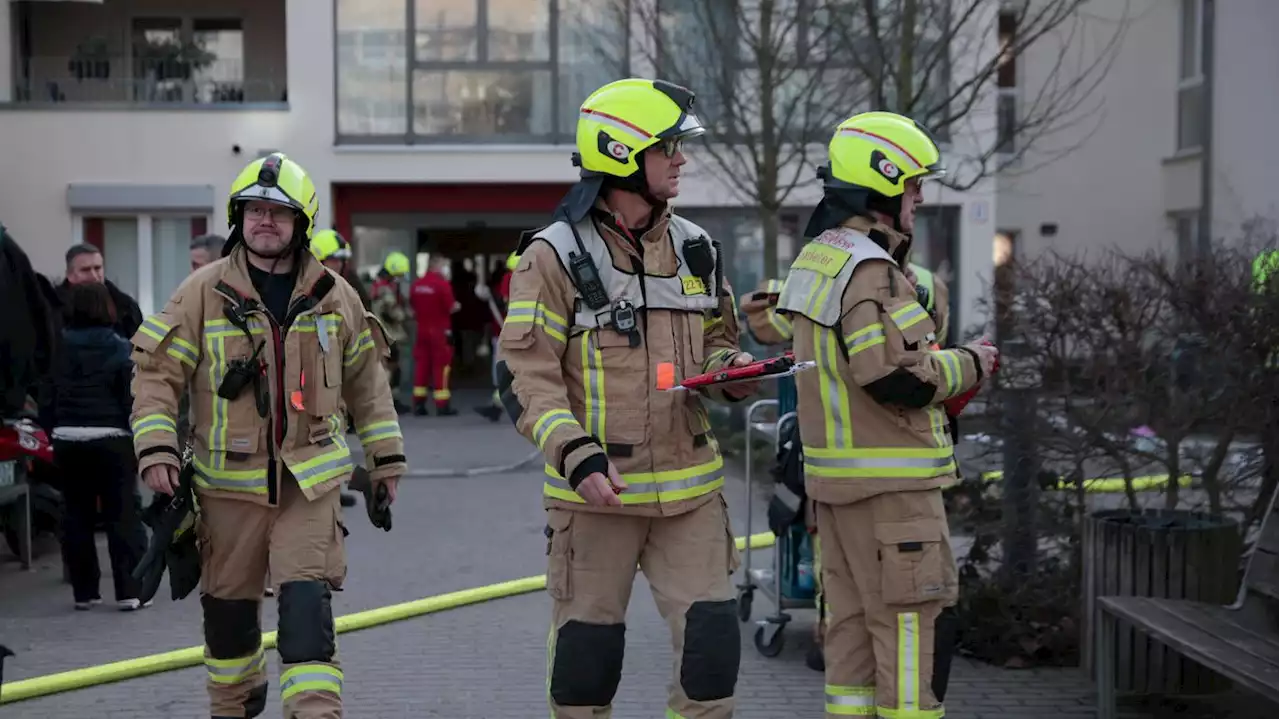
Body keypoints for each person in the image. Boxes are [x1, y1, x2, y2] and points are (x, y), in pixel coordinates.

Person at [497, 77, 759, 719]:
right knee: (585, 674)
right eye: (669, 146)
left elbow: (717, 345)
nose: (682, 158)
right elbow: (524, 375)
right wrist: (576, 455)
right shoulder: (551, 256)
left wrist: (738, 370)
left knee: (713, 661)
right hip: (596, 498)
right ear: (622, 154)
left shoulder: (697, 247)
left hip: (691, 495)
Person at [129, 152, 407, 718]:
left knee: (307, 620)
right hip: (226, 494)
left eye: (278, 212)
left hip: (310, 488)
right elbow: (157, 376)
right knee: (229, 632)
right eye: (254, 210)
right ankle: (234, 705)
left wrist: (385, 460)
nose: (264, 221)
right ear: (239, 217)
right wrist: (156, 448)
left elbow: (368, 385)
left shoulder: (335, 295)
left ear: (300, 222)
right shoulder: (201, 294)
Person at [775, 111, 999, 719]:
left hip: (837, 491)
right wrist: (970, 364)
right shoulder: (871, 269)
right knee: (909, 636)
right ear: (882, 183)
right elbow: (888, 373)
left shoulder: (819, 257)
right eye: (914, 184)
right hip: (892, 493)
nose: (921, 196)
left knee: (848, 637)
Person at [43, 282, 149, 611]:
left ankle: (85, 592)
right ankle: (130, 591)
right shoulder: (120, 348)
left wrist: (54, 429)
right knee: (122, 514)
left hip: (68, 438)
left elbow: (47, 394)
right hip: (112, 438)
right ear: (107, 308)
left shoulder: (57, 347)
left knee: (76, 514)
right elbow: (129, 397)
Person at [59, 244, 143, 341]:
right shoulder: (53, 308)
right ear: (70, 275)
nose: (94, 276)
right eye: (85, 270)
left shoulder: (126, 307)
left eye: (97, 268)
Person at [410, 255, 459, 416]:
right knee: (441, 367)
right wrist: (458, 306)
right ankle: (442, 405)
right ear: (436, 266)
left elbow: (412, 307)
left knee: (421, 367)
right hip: (440, 332)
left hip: (422, 331)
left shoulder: (417, 285)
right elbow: (451, 307)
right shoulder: (442, 285)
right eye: (444, 265)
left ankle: (419, 404)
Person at [475, 251, 518, 421]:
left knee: (511, 372)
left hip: (510, 333)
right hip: (518, 333)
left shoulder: (511, 278)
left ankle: (497, 407)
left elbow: (504, 303)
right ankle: (496, 406)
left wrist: (490, 295)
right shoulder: (532, 280)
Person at [371, 251, 412, 414]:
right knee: (389, 370)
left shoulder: (382, 286)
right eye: (399, 275)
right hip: (387, 334)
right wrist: (406, 315)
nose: (400, 279)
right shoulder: (385, 290)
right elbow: (392, 312)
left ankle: (392, 401)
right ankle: (386, 403)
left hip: (385, 334)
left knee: (394, 369)